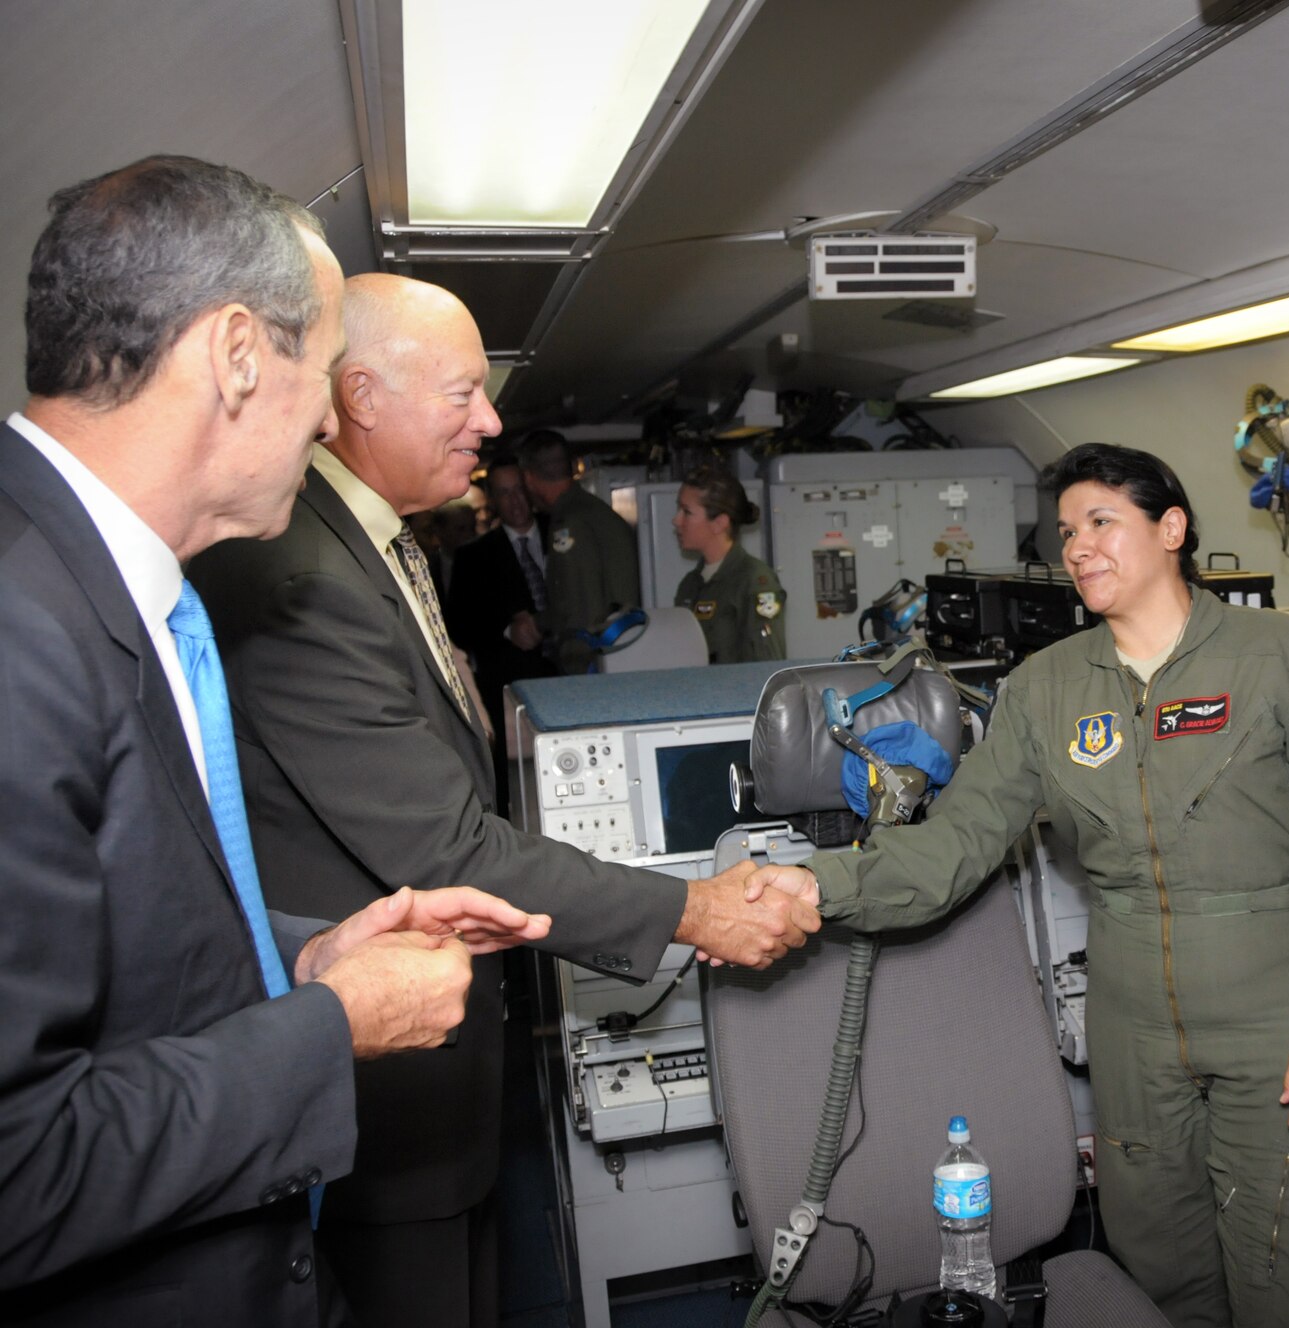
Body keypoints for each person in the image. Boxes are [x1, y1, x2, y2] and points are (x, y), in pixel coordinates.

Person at [187, 273, 821, 1328]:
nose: (489, 421)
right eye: (461, 393)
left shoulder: (366, 545)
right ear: (359, 395)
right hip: (383, 1098)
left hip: (438, 1063)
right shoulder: (296, 575)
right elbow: (444, 842)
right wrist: (693, 908)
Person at [0, 156, 549, 1328]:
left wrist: (301, 953)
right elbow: (18, 1165)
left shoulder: (112, 591)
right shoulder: (19, 631)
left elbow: (127, 939)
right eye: (322, 362)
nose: (328, 412)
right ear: (239, 354)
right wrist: (331, 1024)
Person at [748, 444, 1289, 1327]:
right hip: (1135, 1039)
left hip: (1282, 1027)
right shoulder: (1046, 689)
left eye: (1101, 521)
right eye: (1066, 531)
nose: (1077, 547)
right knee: (1164, 1280)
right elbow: (952, 848)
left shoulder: (1276, 657)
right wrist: (811, 885)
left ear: (1171, 529)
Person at [444, 458, 559, 804]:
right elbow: (459, 628)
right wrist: (507, 630)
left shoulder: (563, 530)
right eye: (504, 493)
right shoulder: (474, 557)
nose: (515, 501)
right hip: (512, 688)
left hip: (570, 674)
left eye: (520, 490)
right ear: (493, 500)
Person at [517, 429, 640, 673]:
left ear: (529, 479)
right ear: (572, 467)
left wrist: (574, 665)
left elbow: (577, 606)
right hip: (618, 653)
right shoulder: (593, 511)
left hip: (595, 661)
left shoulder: (569, 522)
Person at [671, 467, 787, 662]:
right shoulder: (690, 585)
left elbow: (767, 666)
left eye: (687, 512)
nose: (676, 520)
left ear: (720, 523)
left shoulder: (755, 580)